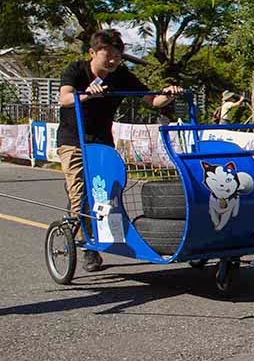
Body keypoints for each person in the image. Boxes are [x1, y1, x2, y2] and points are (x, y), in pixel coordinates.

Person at [57, 29, 185, 271]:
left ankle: (93, 232)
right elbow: (64, 98)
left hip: (102, 141)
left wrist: (168, 94)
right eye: (109, 56)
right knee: (80, 195)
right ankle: (89, 247)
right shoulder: (76, 70)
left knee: (105, 194)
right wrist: (86, 95)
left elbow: (151, 100)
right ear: (93, 53)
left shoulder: (121, 75)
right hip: (73, 141)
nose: (115, 61)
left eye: (118, 56)